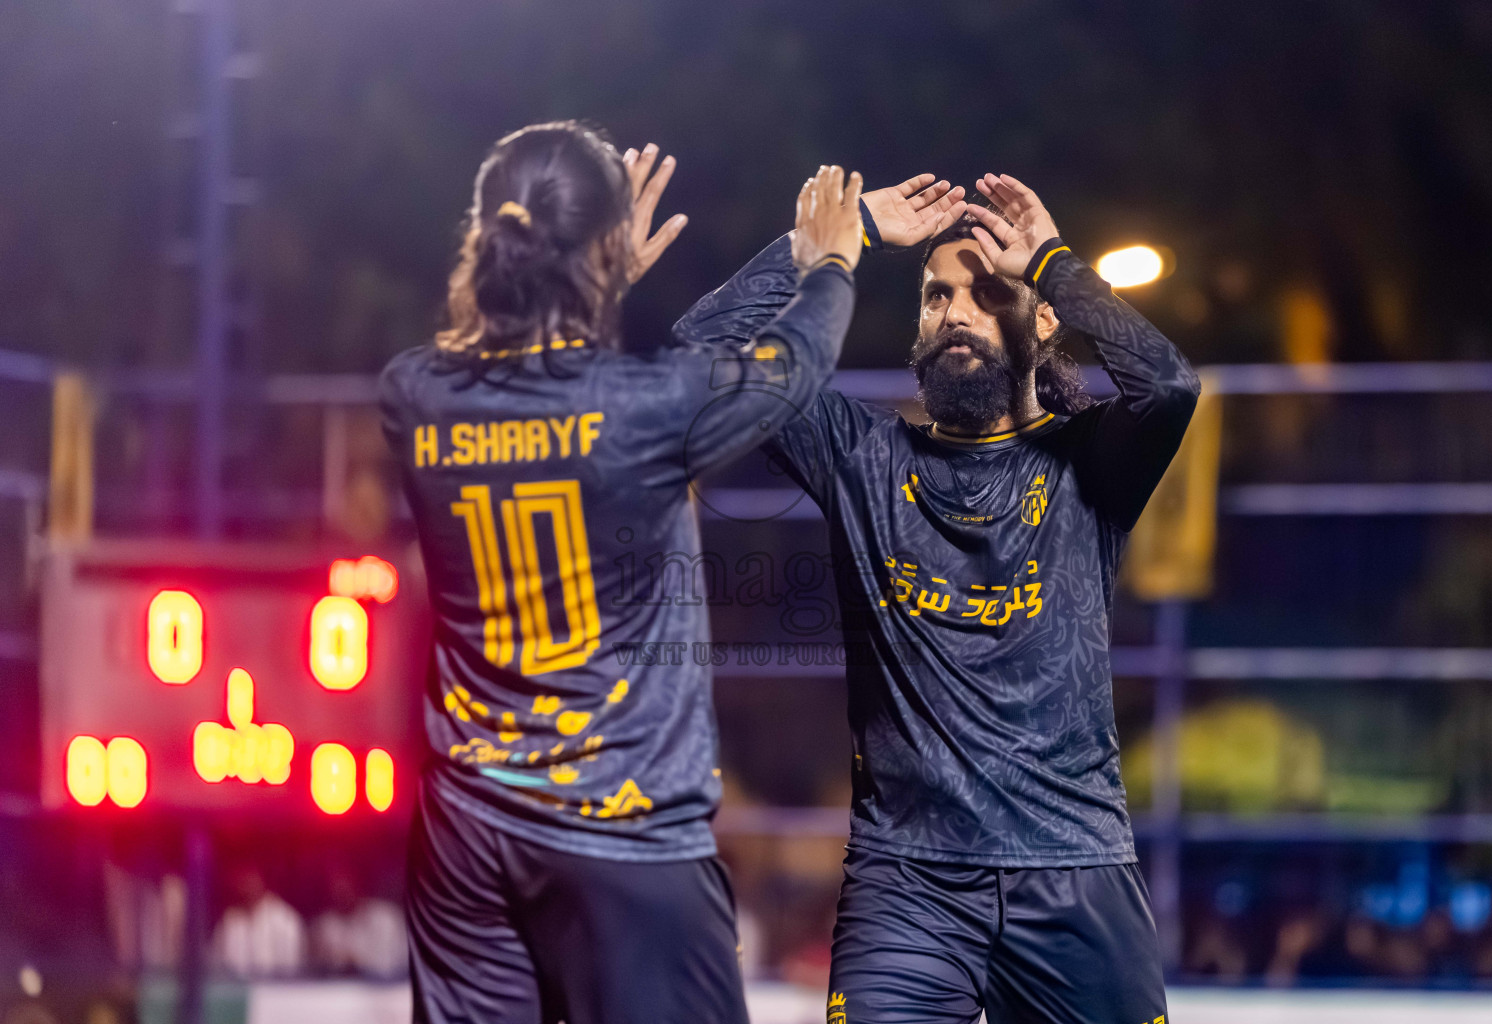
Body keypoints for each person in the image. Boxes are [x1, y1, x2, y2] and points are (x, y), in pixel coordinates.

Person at [379, 121, 870, 1024]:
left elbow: (524, 382)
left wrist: (587, 278)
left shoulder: (414, 397)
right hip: (625, 832)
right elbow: (795, 364)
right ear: (603, 248)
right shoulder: (647, 409)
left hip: (467, 832)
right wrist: (830, 263)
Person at [756, 173, 1200, 1023]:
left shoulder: (1088, 461)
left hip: (1074, 869)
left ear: (1042, 321)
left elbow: (1168, 386)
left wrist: (1055, 263)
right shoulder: (859, 457)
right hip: (907, 884)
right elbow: (706, 355)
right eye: (936, 296)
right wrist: (834, 240)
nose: (955, 312)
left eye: (989, 293)